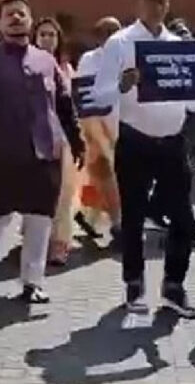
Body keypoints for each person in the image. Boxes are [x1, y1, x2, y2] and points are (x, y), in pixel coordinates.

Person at [0, 0, 85, 304]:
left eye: (22, 13)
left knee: (41, 221)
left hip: (44, 157)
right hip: (0, 156)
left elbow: (65, 106)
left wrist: (77, 140)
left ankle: (32, 283)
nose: (16, 18)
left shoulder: (46, 60)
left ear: (30, 20)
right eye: (9, 14)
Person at [95, 0, 195, 318]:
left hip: (172, 143)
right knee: (134, 219)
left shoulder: (177, 46)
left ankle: (174, 287)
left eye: (163, 0)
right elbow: (99, 94)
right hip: (135, 141)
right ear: (137, 2)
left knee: (183, 219)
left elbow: (192, 104)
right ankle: (134, 284)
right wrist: (123, 86)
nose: (158, 7)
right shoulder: (120, 44)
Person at [145, 18, 195, 248]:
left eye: (187, 36)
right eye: (180, 36)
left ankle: (158, 209)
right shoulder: (161, 66)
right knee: (179, 179)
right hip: (167, 131)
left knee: (179, 178)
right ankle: (185, 226)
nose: (185, 40)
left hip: (188, 129)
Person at [33, 17, 79, 266]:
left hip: (61, 139)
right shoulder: (25, 65)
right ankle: (37, 239)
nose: (47, 39)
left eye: (52, 35)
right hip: (32, 138)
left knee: (62, 193)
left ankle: (59, 243)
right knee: (36, 192)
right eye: (43, 34)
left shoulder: (66, 70)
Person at [75, 17, 122, 239]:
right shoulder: (89, 60)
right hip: (96, 125)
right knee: (105, 171)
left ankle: (89, 216)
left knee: (102, 176)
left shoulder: (126, 58)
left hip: (120, 122)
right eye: (109, 32)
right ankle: (118, 223)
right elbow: (83, 93)